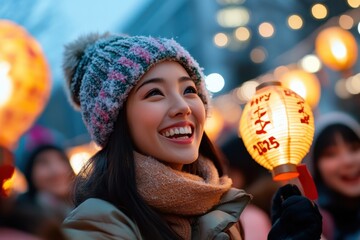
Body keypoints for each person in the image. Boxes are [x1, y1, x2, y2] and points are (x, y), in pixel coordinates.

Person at [61, 32, 322, 239]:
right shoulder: (95, 226)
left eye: (189, 90)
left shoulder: (220, 206)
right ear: (116, 120)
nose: (183, 107)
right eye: (154, 93)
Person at [306, 112, 360, 240]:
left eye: (354, 148)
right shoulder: (310, 223)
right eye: (330, 154)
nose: (347, 161)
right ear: (315, 166)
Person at [15, 125, 75, 224]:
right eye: (43, 162)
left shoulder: (90, 204)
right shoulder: (21, 222)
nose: (57, 170)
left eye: (61, 159)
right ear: (29, 173)